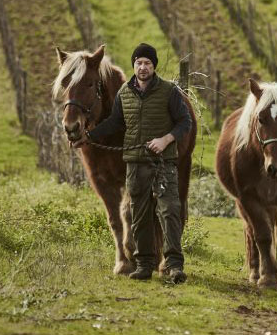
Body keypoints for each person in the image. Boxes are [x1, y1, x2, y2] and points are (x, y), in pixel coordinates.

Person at [73, 43, 192, 284]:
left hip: (164, 161)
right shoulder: (125, 93)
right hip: (137, 162)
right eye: (139, 63)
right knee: (138, 212)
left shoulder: (169, 91)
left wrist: (166, 139)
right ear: (134, 66)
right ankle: (145, 264)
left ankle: (173, 265)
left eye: (147, 63)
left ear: (153, 66)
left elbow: (185, 122)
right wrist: (89, 136)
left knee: (169, 210)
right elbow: (115, 122)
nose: (143, 67)